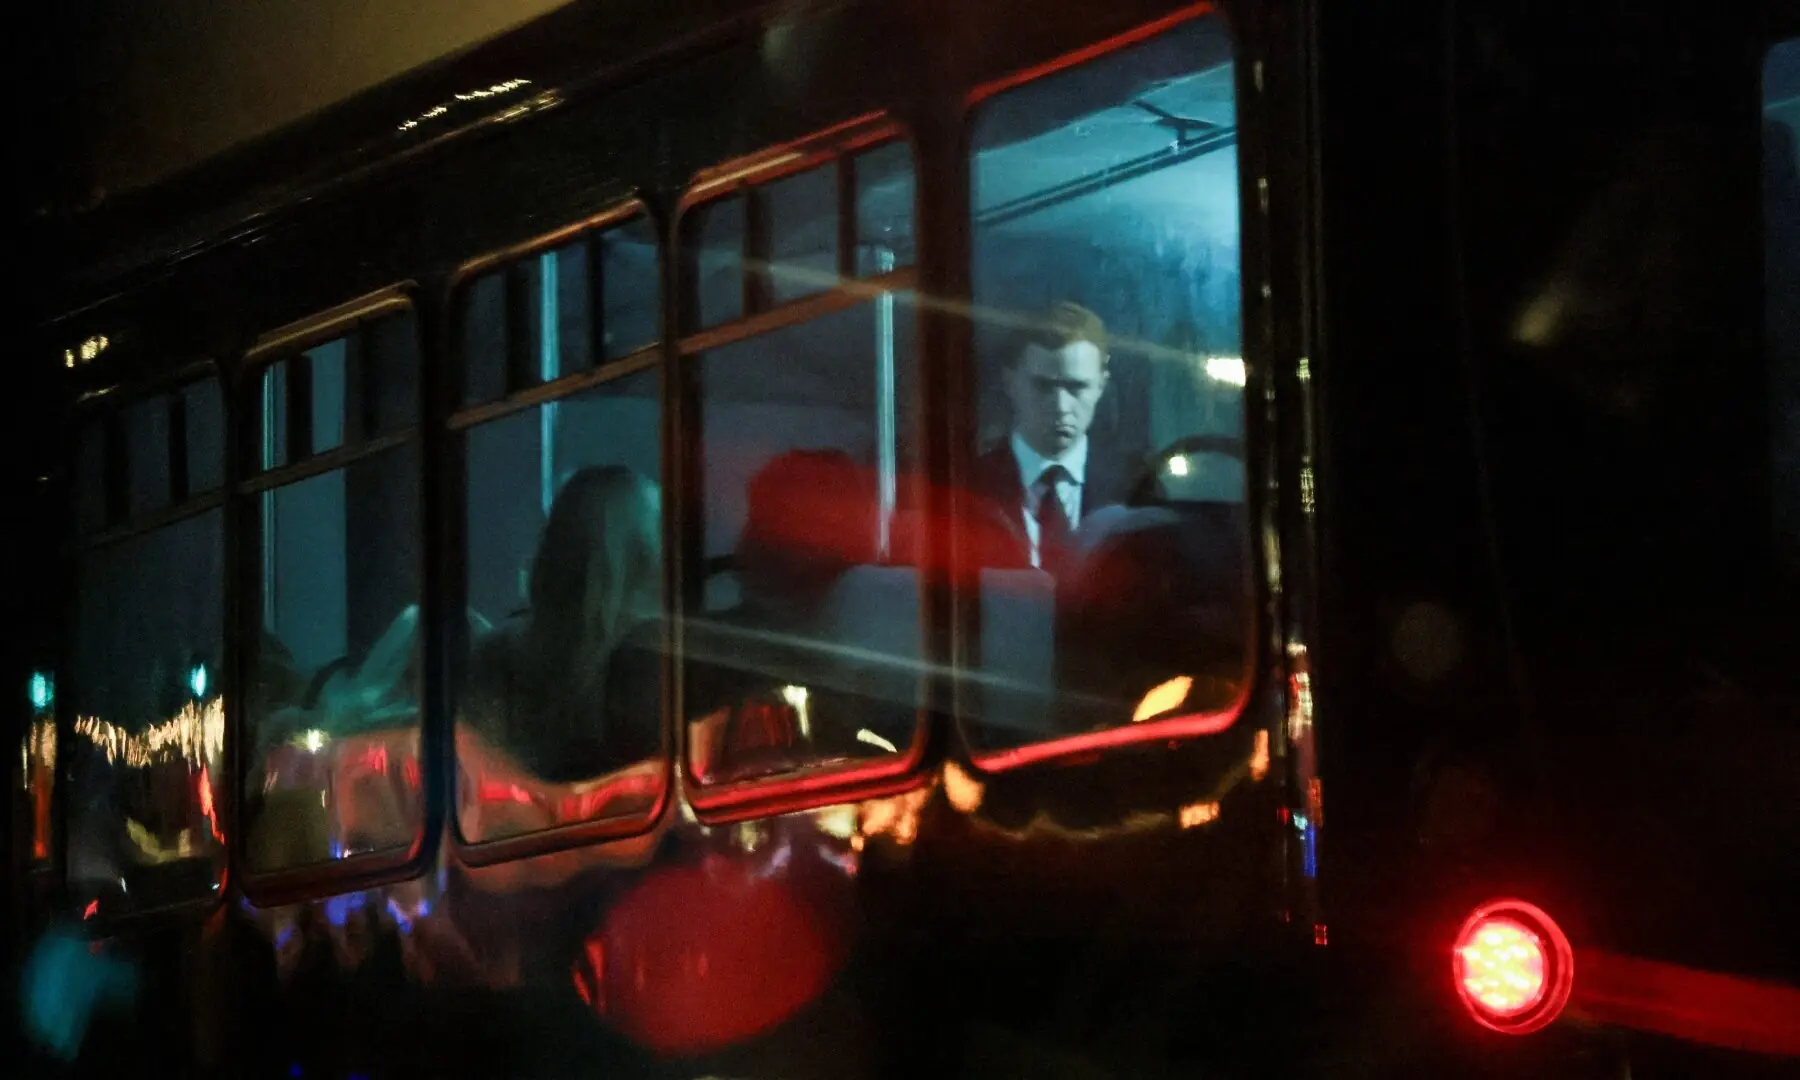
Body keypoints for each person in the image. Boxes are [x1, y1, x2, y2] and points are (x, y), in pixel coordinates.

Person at [972, 301, 1131, 574]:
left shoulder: (1132, 488)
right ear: (1010, 382)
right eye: (1042, 386)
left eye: (1076, 387)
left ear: (1101, 386)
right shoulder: (968, 488)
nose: (1060, 406)